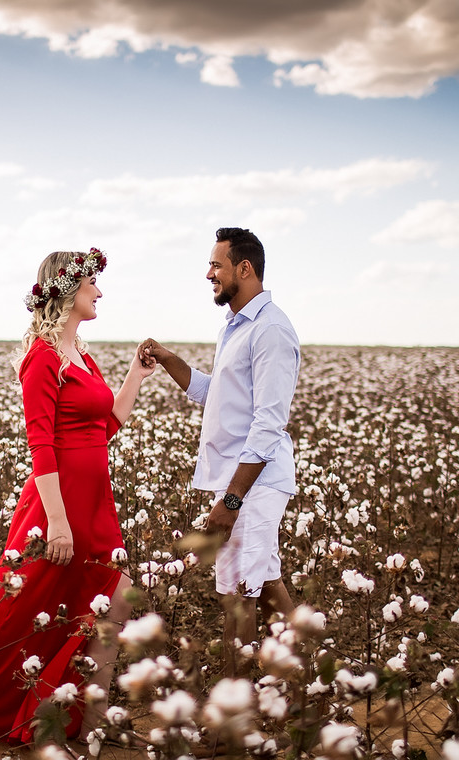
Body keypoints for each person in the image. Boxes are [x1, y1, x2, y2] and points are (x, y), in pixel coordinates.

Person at [0, 248, 155, 745]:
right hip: (57, 506)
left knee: (111, 600)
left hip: (94, 502)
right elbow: (41, 444)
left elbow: (106, 427)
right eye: (91, 284)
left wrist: (135, 374)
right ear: (68, 290)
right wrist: (57, 523)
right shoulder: (42, 357)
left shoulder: (81, 355)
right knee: (25, 608)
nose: (99, 292)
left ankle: (88, 722)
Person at [141, 227, 300, 678]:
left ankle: (234, 704)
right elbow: (219, 394)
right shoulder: (236, 326)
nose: (208, 273)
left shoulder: (270, 330)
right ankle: (309, 683)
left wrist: (231, 501)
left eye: (217, 265)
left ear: (244, 269)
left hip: (253, 483)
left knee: (238, 595)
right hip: (244, 480)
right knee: (265, 583)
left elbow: (268, 422)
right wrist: (169, 359)